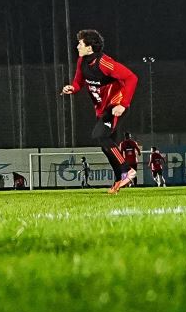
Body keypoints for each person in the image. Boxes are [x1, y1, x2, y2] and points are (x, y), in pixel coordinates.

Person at [60, 29, 140, 194]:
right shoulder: (82, 61)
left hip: (115, 106)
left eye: (80, 44)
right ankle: (119, 180)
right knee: (106, 145)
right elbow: (78, 82)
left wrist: (123, 104)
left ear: (89, 48)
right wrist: (72, 88)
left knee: (100, 135)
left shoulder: (104, 63)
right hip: (102, 109)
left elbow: (131, 78)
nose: (77, 46)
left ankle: (127, 170)